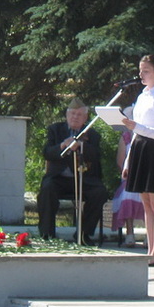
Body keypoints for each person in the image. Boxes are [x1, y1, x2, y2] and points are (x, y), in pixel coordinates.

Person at [122, 55, 154, 267]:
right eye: (140, 70)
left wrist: (136, 127)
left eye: (145, 71)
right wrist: (128, 160)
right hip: (139, 148)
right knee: (146, 204)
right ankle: (150, 250)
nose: (141, 75)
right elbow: (136, 132)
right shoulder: (143, 96)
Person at [38, 98, 109, 244]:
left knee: (100, 192)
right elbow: (47, 153)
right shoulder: (55, 130)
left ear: (85, 118)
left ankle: (83, 234)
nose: (75, 117)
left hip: (84, 178)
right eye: (72, 114)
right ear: (67, 115)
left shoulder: (92, 134)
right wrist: (63, 145)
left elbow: (95, 156)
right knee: (47, 188)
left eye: (79, 115)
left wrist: (81, 145)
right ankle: (47, 234)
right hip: (59, 178)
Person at [111, 126, 145, 246]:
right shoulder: (125, 138)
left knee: (150, 194)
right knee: (128, 193)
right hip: (129, 178)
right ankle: (130, 232)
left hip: (146, 178)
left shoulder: (150, 136)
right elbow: (120, 163)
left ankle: (149, 234)